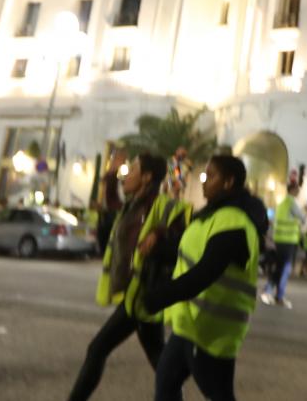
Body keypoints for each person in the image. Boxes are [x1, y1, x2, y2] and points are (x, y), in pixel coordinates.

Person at [67, 152, 190, 401]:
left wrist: (158, 233)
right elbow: (111, 202)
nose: (127, 175)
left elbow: (181, 228)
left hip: (142, 292)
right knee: (159, 360)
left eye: (132, 170)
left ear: (146, 177)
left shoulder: (161, 205)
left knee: (97, 349)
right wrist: (111, 173)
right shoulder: (133, 205)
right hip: (139, 294)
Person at [143, 155, 268, 401]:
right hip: (190, 325)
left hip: (212, 331)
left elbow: (204, 274)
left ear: (229, 182)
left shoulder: (235, 223)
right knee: (166, 384)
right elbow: (186, 249)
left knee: (219, 395)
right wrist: (157, 249)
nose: (203, 182)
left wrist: (157, 298)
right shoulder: (211, 215)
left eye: (211, 177)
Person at [259, 181, 304, 308]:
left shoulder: (282, 204)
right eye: (297, 189)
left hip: (279, 240)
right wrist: (305, 210)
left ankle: (276, 295)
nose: (299, 191)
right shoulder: (291, 203)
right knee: (284, 269)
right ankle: (271, 293)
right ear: (293, 190)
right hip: (288, 240)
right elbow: (302, 218)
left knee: (281, 267)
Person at [97, 151, 126, 256]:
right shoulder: (112, 176)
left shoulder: (113, 176)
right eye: (120, 160)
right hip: (112, 210)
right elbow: (108, 194)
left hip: (112, 209)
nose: (122, 163)